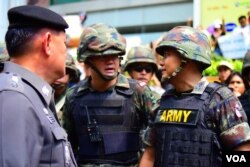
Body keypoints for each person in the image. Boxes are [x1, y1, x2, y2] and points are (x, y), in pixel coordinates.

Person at [139, 26, 250, 167]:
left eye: (166, 55)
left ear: (186, 57)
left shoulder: (220, 100)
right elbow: (149, 156)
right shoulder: (162, 103)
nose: (161, 62)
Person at [63, 23, 156, 167]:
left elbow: (156, 141)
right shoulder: (74, 96)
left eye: (115, 55)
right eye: (103, 56)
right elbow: (67, 146)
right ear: (88, 59)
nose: (111, 61)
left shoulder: (139, 92)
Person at [0, 5, 77, 167]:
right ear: (48, 42)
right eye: (64, 44)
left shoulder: (29, 95)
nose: (66, 52)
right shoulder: (15, 98)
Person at [52, 53, 79, 123]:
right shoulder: (38, 96)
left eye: (65, 72)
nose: (59, 76)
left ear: (70, 76)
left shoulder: (75, 100)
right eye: (55, 70)